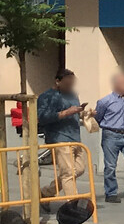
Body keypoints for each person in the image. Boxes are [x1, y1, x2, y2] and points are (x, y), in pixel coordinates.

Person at [36, 68, 87, 198]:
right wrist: (65, 113)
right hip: (59, 138)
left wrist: (84, 113)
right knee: (68, 173)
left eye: (72, 83)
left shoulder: (73, 95)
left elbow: (76, 112)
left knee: (79, 169)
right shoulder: (47, 96)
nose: (70, 86)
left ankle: (46, 192)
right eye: (67, 83)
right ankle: (73, 203)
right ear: (58, 81)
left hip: (75, 137)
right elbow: (42, 118)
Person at [94, 73, 124, 203]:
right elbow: (98, 117)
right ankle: (111, 192)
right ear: (115, 85)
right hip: (111, 135)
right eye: (123, 83)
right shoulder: (105, 101)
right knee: (110, 166)